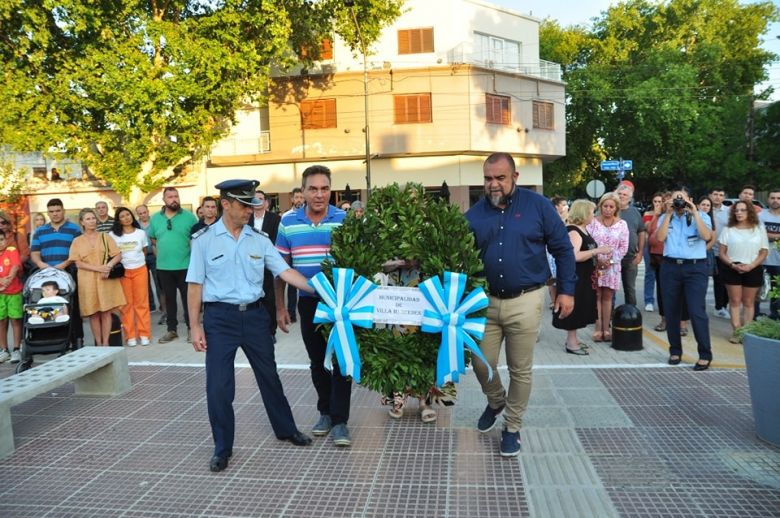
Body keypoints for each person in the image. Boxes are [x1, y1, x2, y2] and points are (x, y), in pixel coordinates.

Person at [187, 179, 315, 472]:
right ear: (226, 204)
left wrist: (320, 290)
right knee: (219, 386)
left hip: (257, 317)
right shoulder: (204, 240)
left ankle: (286, 429)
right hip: (220, 319)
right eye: (245, 205)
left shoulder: (260, 240)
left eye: (252, 205)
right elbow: (195, 286)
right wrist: (195, 326)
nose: (250, 211)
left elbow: (285, 272)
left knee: (269, 377)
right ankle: (222, 447)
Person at [465, 152, 575, 457]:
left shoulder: (538, 207)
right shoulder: (473, 216)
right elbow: (456, 256)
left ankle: (512, 427)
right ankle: (496, 400)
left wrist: (566, 291)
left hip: (526, 300)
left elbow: (563, 248)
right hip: (484, 303)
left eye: (500, 177)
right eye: (488, 178)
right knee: (480, 360)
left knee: (520, 369)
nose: (493, 184)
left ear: (515, 177)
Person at [275, 165, 352, 447]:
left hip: (341, 305)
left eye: (324, 188)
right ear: (303, 191)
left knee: (342, 362)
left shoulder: (344, 220)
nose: (319, 194)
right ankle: (325, 412)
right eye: (313, 189)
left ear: (330, 190)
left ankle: (341, 420)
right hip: (308, 304)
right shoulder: (288, 222)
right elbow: (280, 267)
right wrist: (281, 308)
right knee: (318, 361)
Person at [656, 188, 713, 370]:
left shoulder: (702, 216)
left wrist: (694, 212)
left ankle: (705, 353)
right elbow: (660, 238)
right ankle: (675, 351)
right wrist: (669, 213)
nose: (679, 202)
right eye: (675, 199)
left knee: (696, 311)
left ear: (690, 199)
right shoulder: (666, 217)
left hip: (695, 268)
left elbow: (706, 236)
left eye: (682, 199)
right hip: (670, 267)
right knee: (671, 311)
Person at [553, 200, 612, 355]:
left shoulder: (583, 230)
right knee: (575, 309)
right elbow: (574, 256)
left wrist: (599, 262)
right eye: (592, 212)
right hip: (576, 277)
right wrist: (597, 251)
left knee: (582, 307)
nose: (594, 215)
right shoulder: (573, 231)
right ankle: (571, 343)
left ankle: (574, 340)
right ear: (583, 213)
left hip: (586, 277)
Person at [30, 198, 84, 349]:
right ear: (48, 213)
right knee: (48, 307)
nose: (55, 214)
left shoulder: (74, 229)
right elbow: (34, 253)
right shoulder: (40, 231)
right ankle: (51, 340)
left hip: (68, 272)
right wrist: (42, 265)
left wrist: (63, 265)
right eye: (52, 211)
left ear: (63, 210)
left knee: (72, 307)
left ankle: (77, 340)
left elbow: (77, 252)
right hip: (46, 276)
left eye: (58, 210)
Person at [69, 208, 126, 346]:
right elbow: (77, 263)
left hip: (104, 279)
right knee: (93, 313)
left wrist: (109, 266)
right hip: (87, 279)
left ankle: (106, 343)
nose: (91, 221)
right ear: (82, 222)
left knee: (106, 311)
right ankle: (98, 343)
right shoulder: (77, 241)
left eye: (93, 218)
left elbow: (118, 254)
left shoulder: (105, 237)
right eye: (88, 219)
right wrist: (98, 268)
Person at [147, 187, 198, 343]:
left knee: (188, 299)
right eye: (170, 197)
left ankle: (192, 329)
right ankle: (171, 330)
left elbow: (195, 241)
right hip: (164, 267)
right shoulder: (155, 218)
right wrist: (161, 258)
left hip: (185, 266)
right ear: (164, 200)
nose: (174, 199)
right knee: (169, 300)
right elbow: (154, 241)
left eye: (176, 196)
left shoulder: (190, 217)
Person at [718, 201, 769, 343]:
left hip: (753, 268)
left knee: (748, 302)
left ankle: (746, 332)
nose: (739, 213)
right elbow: (722, 253)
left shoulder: (759, 228)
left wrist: (751, 266)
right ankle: (736, 331)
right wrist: (733, 265)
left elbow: (764, 251)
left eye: (743, 210)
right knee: (734, 301)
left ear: (750, 212)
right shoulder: (728, 229)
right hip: (732, 268)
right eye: (737, 210)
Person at [586, 192, 628, 342]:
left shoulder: (622, 225)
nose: (608, 209)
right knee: (596, 296)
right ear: (600, 206)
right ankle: (597, 328)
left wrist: (609, 262)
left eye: (611, 206)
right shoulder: (592, 223)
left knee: (608, 297)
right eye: (605, 206)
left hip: (612, 266)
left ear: (616, 208)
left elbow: (623, 248)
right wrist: (597, 261)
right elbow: (588, 243)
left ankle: (606, 328)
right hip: (595, 265)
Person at [111, 207, 152, 346]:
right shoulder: (113, 235)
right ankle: (130, 336)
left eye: (128, 215)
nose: (126, 218)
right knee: (126, 305)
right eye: (122, 216)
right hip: (124, 272)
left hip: (140, 269)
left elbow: (144, 250)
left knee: (142, 303)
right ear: (118, 220)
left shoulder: (140, 233)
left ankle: (144, 334)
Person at [249, 189, 281, 340]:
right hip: (249, 265)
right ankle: (255, 330)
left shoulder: (275, 219)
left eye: (261, 198)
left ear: (266, 202)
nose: (258, 202)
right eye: (255, 199)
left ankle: (271, 331)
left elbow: (276, 240)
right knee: (253, 299)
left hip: (267, 265)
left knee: (269, 299)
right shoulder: (246, 218)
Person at [615, 182, 646, 307]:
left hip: (630, 257)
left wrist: (640, 253)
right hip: (611, 258)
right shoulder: (610, 209)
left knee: (630, 289)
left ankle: (632, 315)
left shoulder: (635, 212)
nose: (622, 196)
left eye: (625, 195)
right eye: (620, 194)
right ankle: (608, 317)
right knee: (609, 290)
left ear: (630, 198)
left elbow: (641, 232)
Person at [0, 232, 23, 363]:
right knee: (1, 321)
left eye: (2, 239)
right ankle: (3, 350)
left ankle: (16, 349)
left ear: (6, 239)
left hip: (14, 292)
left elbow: (15, 266)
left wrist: (8, 279)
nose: (0, 242)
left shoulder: (11, 250)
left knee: (15, 320)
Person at [284, 187, 305, 323]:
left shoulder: (308, 215)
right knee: (292, 285)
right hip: (291, 254)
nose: (299, 200)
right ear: (292, 199)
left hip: (304, 254)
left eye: (301, 197)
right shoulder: (285, 217)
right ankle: (292, 313)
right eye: (296, 197)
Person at [759, 188, 780, 320]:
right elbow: (759, 234)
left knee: (777, 292)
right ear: (768, 199)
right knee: (758, 290)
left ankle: (775, 315)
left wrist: (769, 236)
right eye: (773, 198)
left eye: (778, 198)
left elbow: (765, 234)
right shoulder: (761, 216)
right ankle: (755, 315)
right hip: (762, 259)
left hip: (778, 261)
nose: (775, 201)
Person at [709, 188, 730, 319]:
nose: (717, 197)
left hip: (722, 251)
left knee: (721, 280)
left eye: (721, 195)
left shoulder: (729, 212)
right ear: (710, 195)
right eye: (715, 194)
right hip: (706, 251)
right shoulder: (704, 208)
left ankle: (720, 307)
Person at [642, 198, 659, 312]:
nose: (657, 204)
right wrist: (656, 216)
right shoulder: (648, 214)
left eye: (660, 201)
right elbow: (648, 229)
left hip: (663, 248)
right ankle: (649, 300)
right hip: (649, 246)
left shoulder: (667, 215)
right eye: (655, 201)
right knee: (650, 273)